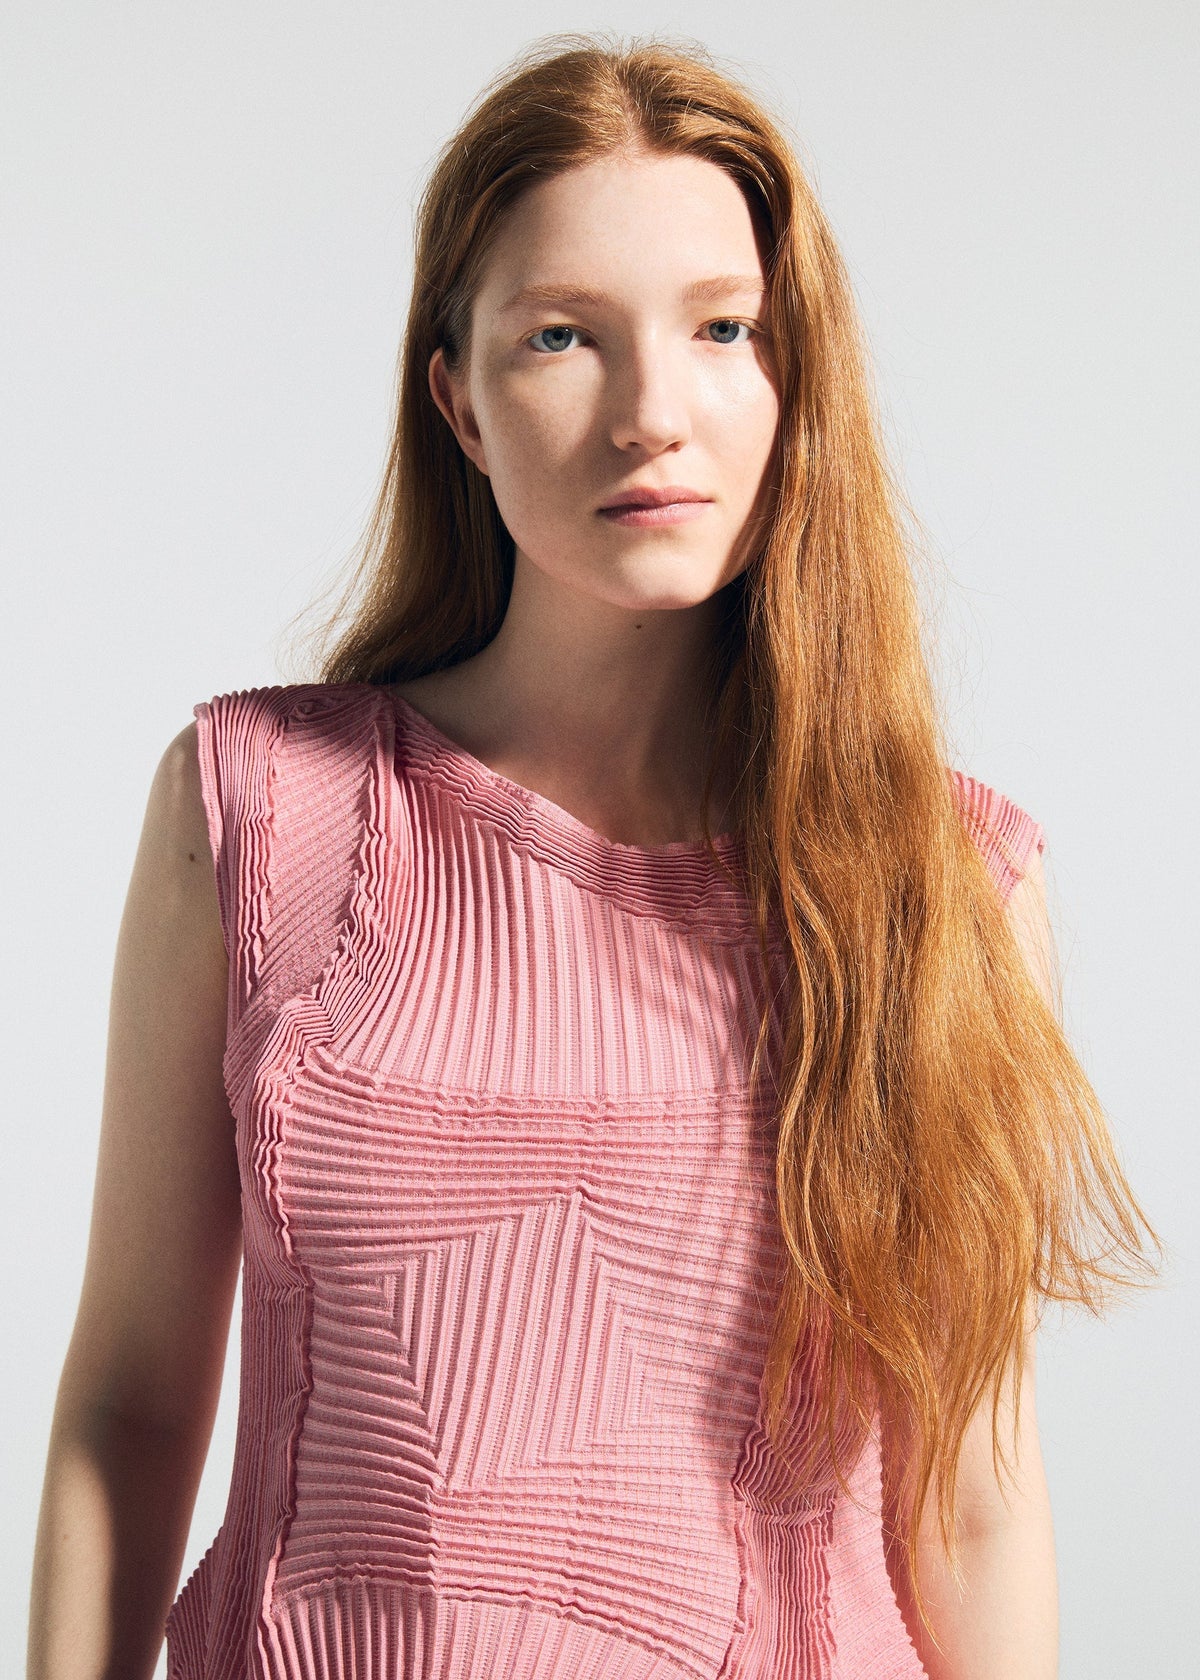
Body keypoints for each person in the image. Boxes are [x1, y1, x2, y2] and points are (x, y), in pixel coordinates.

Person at [27, 33, 1158, 1680]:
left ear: (795, 381)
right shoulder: (260, 809)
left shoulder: (946, 885)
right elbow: (127, 1407)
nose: (652, 413)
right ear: (459, 404)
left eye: (722, 331)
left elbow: (973, 1513)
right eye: (562, 337)